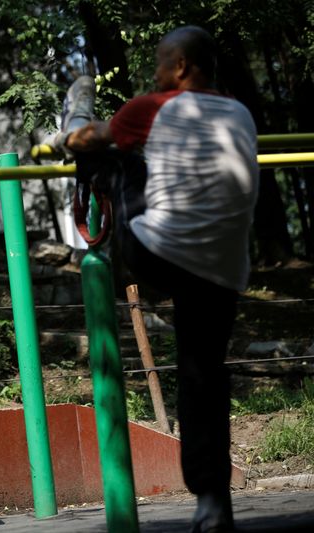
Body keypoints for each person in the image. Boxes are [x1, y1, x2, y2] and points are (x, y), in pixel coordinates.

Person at [51, 26, 259, 533]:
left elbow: (87, 142)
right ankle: (213, 502)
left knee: (104, 152)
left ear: (183, 66)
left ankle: (72, 106)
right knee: (203, 372)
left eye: (162, 62)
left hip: (158, 252)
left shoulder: (153, 108)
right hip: (226, 269)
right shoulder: (239, 112)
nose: (155, 72)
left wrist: (66, 136)